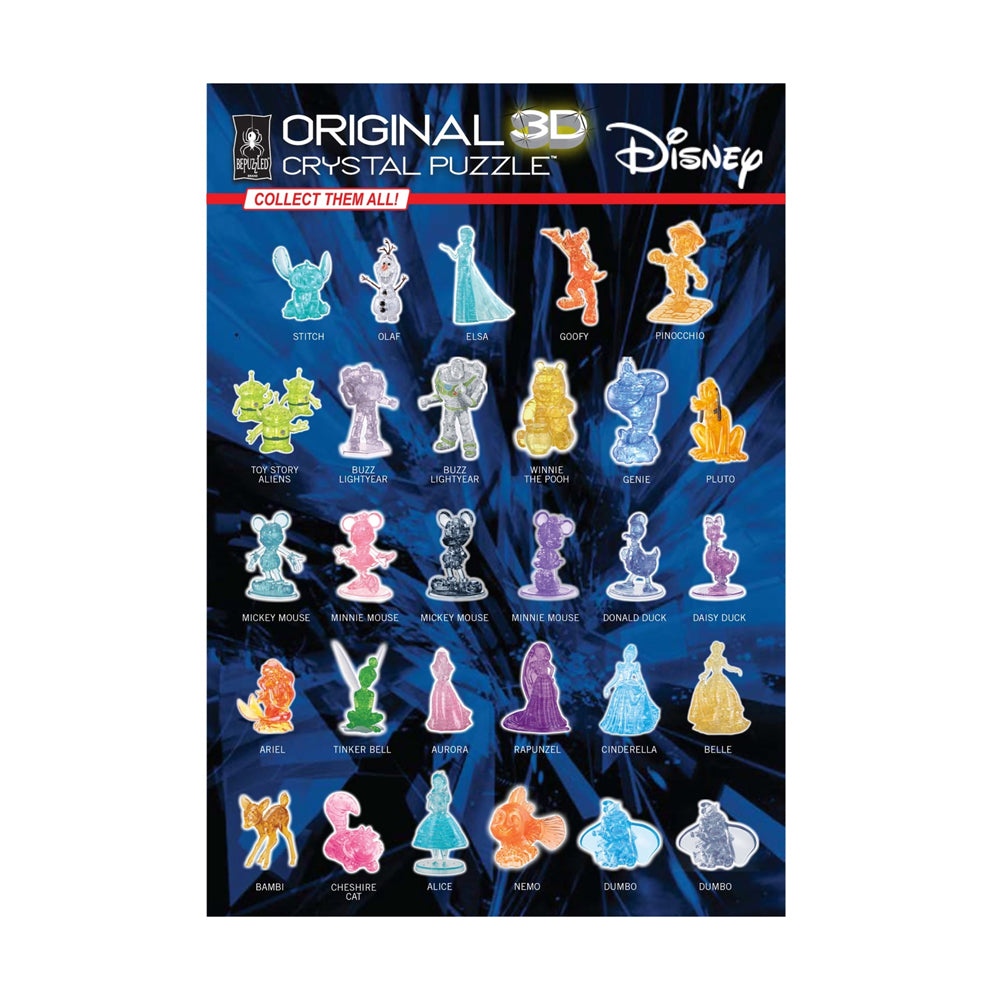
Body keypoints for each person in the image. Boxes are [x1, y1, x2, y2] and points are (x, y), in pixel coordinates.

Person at [438, 225, 514, 324]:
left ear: (469, 238)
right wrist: (448, 250)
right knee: (462, 293)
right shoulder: (460, 248)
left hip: (467, 271)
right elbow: (455, 257)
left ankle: (470, 315)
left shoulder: (469, 249)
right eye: (461, 236)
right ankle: (463, 316)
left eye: (464, 236)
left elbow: (467, 260)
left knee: (469, 293)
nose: (462, 238)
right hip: (461, 271)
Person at [501, 642, 570, 734]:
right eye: (538, 653)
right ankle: (540, 719)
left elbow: (552, 668)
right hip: (539, 682)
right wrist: (531, 680)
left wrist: (550, 676)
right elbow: (529, 673)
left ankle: (548, 718)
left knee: (549, 700)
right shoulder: (533, 663)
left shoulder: (545, 662)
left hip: (547, 682)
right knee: (537, 699)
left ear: (545, 653)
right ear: (535, 654)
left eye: (542, 652)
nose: (540, 655)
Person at [688, 641, 751, 735]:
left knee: (727, 698)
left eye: (720, 650)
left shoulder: (722, 659)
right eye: (717, 649)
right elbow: (707, 672)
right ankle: (714, 719)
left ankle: (726, 718)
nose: (718, 651)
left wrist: (736, 670)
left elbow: (728, 668)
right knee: (714, 699)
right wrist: (703, 676)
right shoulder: (710, 660)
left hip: (721, 679)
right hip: (713, 681)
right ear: (713, 649)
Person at [600, 643, 660, 736]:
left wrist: (643, 689)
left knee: (635, 707)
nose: (629, 656)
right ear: (625, 654)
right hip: (621, 688)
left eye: (631, 654)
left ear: (634, 656)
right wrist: (608, 687)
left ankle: (632, 726)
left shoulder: (635, 665)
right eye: (628, 654)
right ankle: (621, 726)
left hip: (632, 688)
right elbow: (616, 678)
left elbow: (639, 678)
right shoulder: (620, 665)